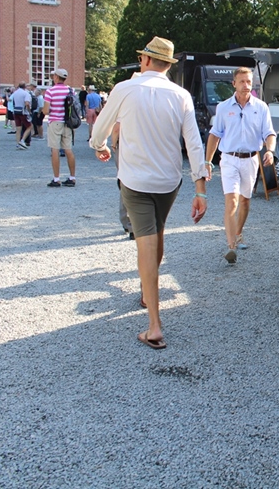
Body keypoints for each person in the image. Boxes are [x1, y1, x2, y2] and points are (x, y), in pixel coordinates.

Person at [90, 36, 208, 350]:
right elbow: (194, 143)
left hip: (135, 180)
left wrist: (99, 146)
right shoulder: (181, 95)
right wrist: (201, 189)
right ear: (168, 65)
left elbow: (100, 130)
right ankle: (147, 291)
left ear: (144, 60)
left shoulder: (124, 89)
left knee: (145, 240)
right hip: (169, 181)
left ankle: (154, 325)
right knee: (156, 233)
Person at [204, 66, 276, 263]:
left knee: (245, 201)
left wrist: (269, 150)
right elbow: (215, 135)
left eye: (249, 81)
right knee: (232, 201)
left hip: (251, 159)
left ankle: (238, 233)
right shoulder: (223, 107)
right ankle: (231, 247)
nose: (246, 85)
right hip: (229, 158)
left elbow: (269, 133)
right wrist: (207, 161)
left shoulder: (261, 107)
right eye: (242, 81)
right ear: (234, 83)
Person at [41, 69, 77, 187]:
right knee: (68, 149)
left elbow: (46, 110)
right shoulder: (71, 90)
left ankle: (56, 179)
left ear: (56, 77)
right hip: (68, 122)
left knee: (55, 150)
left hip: (55, 122)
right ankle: (72, 177)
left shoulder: (50, 91)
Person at [11, 82, 32, 149]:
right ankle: (22, 140)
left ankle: (18, 143)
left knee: (18, 128)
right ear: (25, 87)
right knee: (29, 126)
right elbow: (27, 103)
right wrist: (29, 111)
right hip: (23, 112)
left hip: (16, 111)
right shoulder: (26, 93)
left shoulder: (15, 93)